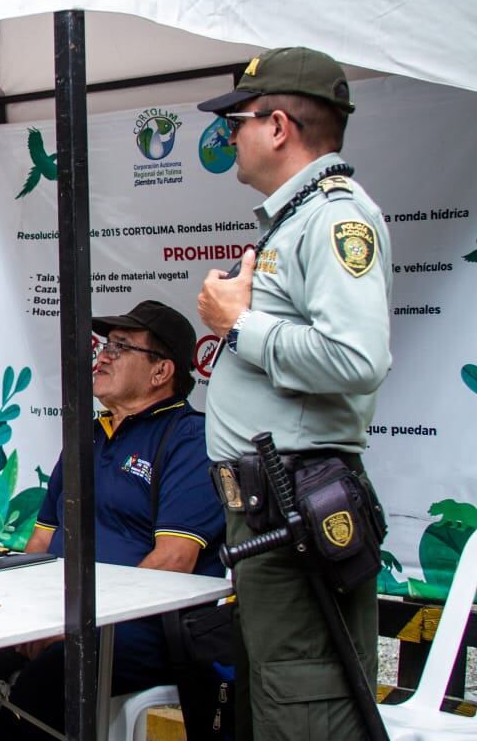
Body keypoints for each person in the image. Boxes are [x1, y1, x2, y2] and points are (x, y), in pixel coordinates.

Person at [0, 300, 226, 740]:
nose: (104, 354)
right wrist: (21, 612)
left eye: (122, 347)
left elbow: (173, 563)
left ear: (161, 372)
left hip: (142, 629)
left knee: (51, 676)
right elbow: (40, 544)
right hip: (63, 616)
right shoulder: (87, 436)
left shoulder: (190, 439)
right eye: (106, 344)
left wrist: (72, 625)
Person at [196, 46, 391, 741]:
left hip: (298, 501)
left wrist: (238, 325)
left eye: (236, 123)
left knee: (308, 704)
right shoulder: (295, 217)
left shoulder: (337, 220)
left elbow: (356, 358)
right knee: (275, 695)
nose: (228, 138)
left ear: (278, 126)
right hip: (268, 507)